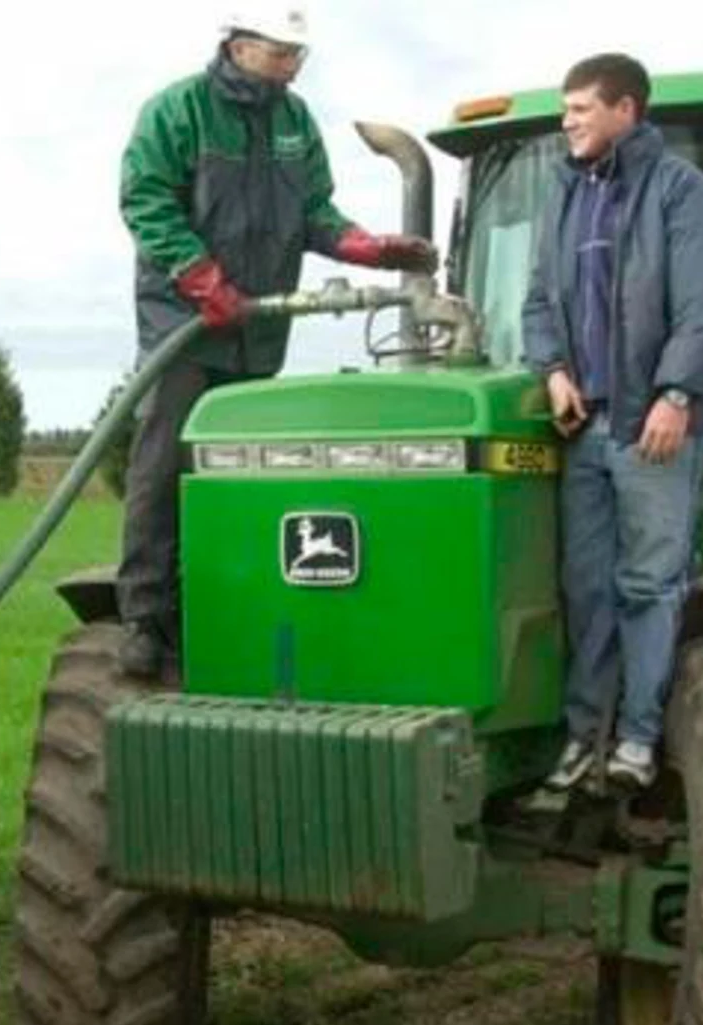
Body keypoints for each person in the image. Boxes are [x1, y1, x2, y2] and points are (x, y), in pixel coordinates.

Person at [114, 2, 437, 680]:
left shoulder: (295, 123)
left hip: (257, 332)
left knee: (247, 472)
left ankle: (236, 606)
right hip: (186, 328)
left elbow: (315, 212)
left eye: (299, 56)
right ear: (239, 44)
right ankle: (145, 617)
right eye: (282, 53)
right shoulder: (178, 112)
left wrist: (366, 248)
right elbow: (145, 199)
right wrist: (201, 279)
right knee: (164, 464)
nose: (293, 66)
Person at [523, 53, 703, 791]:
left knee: (647, 583)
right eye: (566, 109)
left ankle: (641, 738)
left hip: (651, 425)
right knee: (585, 585)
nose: (569, 121)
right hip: (583, 426)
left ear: (626, 109)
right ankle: (585, 733)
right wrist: (552, 370)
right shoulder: (562, 198)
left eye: (581, 107)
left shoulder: (686, 194)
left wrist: (676, 394)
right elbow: (536, 303)